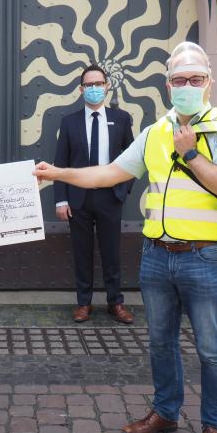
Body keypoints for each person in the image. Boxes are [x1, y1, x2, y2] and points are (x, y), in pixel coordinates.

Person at [34, 42, 217, 433]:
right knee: (160, 342)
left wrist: (191, 153)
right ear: (168, 85)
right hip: (156, 255)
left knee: (211, 349)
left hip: (204, 257)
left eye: (196, 79)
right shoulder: (155, 132)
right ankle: (166, 412)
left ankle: (214, 427)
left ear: (208, 82)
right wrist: (57, 173)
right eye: (179, 80)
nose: (187, 86)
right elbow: (109, 172)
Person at [54, 64, 135, 324]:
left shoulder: (121, 119)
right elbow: (60, 163)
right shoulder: (69, 122)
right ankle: (83, 303)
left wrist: (123, 189)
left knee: (112, 252)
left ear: (107, 86)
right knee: (82, 252)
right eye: (88, 85)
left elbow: (133, 158)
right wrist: (61, 199)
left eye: (98, 84)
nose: (94, 89)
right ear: (81, 89)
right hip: (79, 198)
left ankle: (115, 302)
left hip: (110, 196)